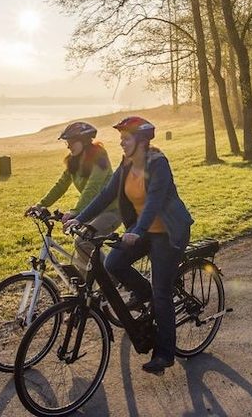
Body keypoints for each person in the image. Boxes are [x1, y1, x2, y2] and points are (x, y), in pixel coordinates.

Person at [64, 116, 193, 375]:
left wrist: (136, 231)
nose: (121, 143)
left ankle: (164, 354)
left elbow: (154, 201)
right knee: (113, 263)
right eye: (121, 139)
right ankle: (147, 295)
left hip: (168, 233)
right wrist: (80, 217)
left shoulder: (158, 164)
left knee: (162, 291)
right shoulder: (126, 164)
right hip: (142, 231)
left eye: (126, 138)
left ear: (142, 141)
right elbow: (106, 195)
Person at [26, 121, 121, 275]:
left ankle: (114, 280)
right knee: (81, 255)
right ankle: (89, 289)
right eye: (67, 142)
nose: (68, 146)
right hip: (92, 211)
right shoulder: (73, 160)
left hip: (111, 211)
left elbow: (93, 188)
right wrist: (40, 205)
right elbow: (61, 185)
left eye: (71, 142)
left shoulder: (99, 156)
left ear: (84, 141)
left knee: (83, 242)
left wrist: (76, 212)